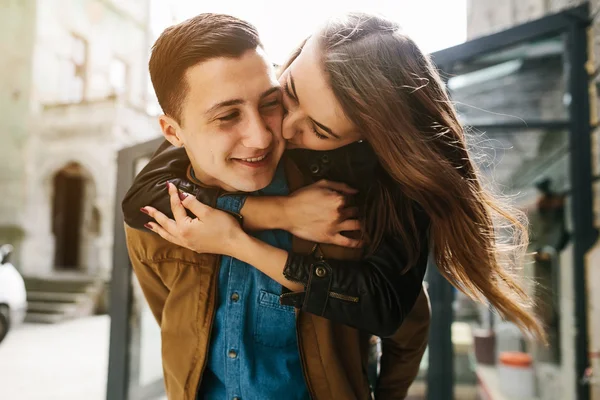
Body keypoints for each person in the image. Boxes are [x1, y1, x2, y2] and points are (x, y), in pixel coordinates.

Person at [123, 13, 431, 400]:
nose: (265, 135)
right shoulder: (160, 217)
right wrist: (275, 214)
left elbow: (407, 320)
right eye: (227, 116)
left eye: (270, 103)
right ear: (173, 132)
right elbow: (177, 326)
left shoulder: (341, 209)